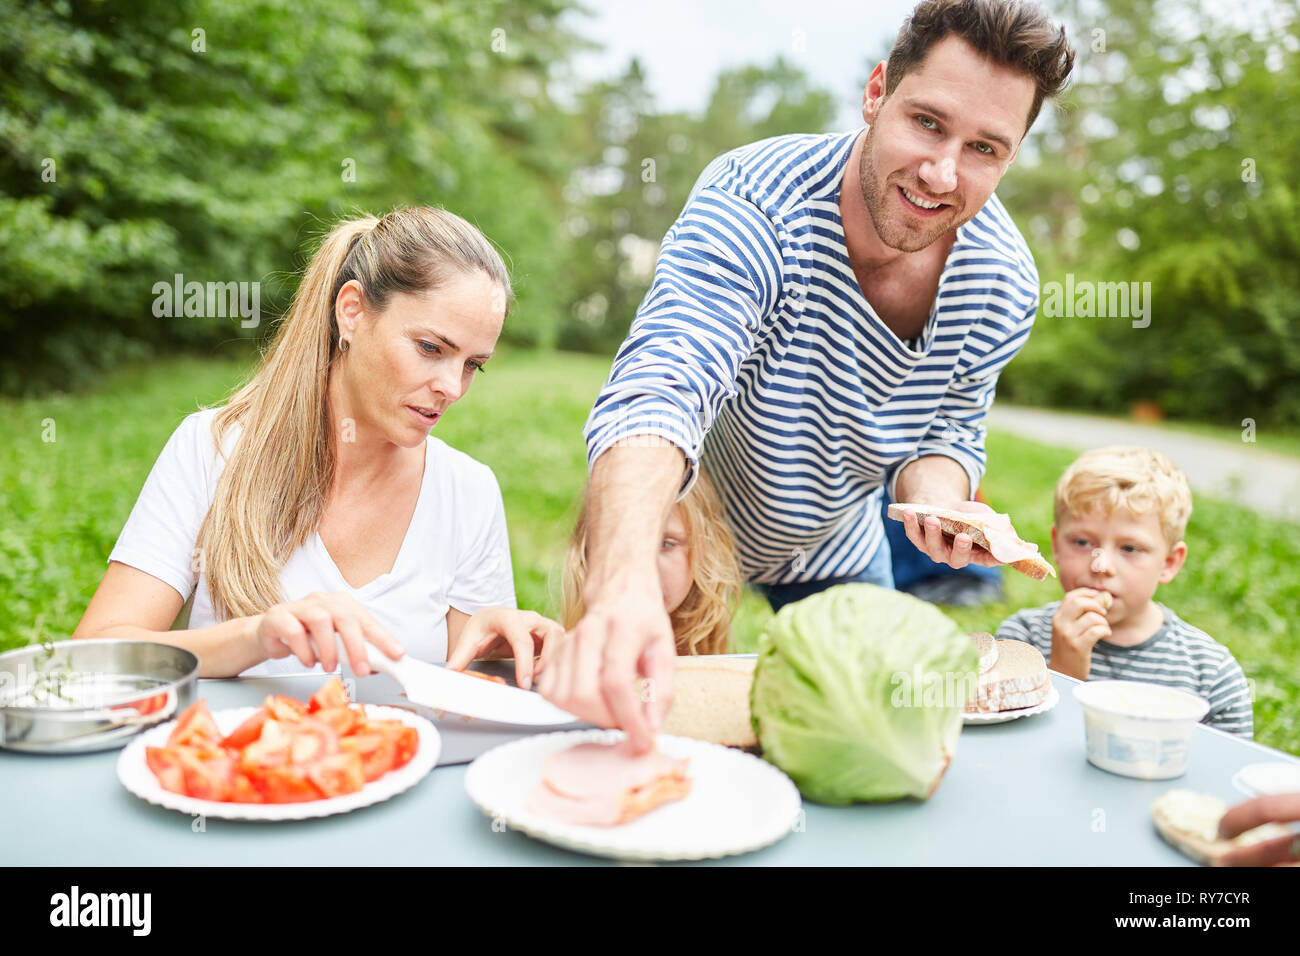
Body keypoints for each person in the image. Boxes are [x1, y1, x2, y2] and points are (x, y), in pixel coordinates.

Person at [537, 0, 1075, 748]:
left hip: (831, 535)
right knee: (638, 737)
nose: (941, 173)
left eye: (985, 148)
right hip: (685, 526)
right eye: (927, 122)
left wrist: (940, 500)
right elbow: (663, 383)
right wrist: (622, 575)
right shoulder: (755, 200)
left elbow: (949, 427)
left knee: (874, 730)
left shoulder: (1004, 282)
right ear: (877, 91)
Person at [74, 208, 559, 686]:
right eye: (431, 348)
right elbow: (91, 659)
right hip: (238, 761)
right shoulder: (212, 450)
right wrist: (255, 637)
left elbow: (467, 696)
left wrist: (502, 657)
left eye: (474, 364)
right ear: (351, 311)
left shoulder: (468, 492)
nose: (453, 387)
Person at [996, 446, 1253, 737]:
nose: (1101, 565)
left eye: (1130, 548)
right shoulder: (1019, 643)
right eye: (1082, 542)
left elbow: (1227, 775)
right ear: (1056, 545)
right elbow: (1009, 751)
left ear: (1169, 562)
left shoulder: (1210, 675)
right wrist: (1063, 674)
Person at [560, 467, 742, 656]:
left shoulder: (711, 665)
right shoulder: (566, 654)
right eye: (623, 542)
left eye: (666, 544)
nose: (645, 566)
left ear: (706, 549)